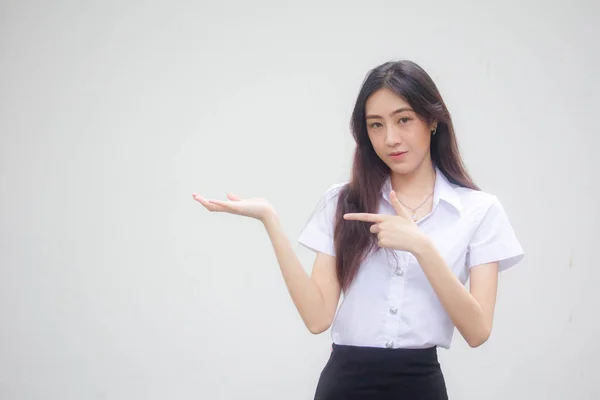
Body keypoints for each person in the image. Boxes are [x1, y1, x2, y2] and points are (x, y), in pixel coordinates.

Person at [192, 60, 524, 399]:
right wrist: (270, 220)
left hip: (420, 385)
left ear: (433, 120)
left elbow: (477, 331)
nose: (390, 138)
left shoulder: (479, 211)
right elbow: (317, 317)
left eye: (404, 119)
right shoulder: (344, 202)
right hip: (344, 384)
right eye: (376, 125)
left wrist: (422, 248)